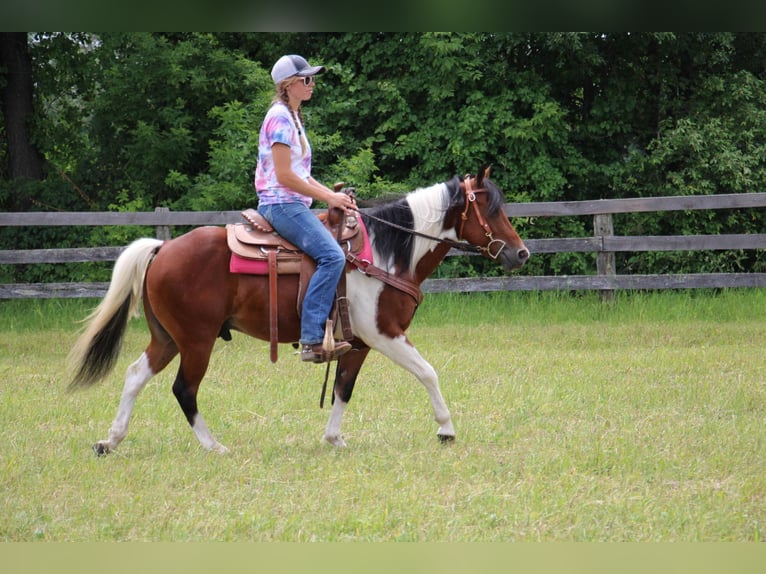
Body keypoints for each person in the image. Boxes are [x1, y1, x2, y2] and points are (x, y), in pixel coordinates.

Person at [254, 54, 354, 363]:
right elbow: (284, 176)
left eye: (312, 78)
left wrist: (333, 197)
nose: (312, 84)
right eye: (307, 79)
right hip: (280, 204)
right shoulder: (280, 118)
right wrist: (328, 199)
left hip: (292, 201)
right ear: (289, 85)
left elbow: (303, 173)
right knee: (332, 256)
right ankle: (311, 339)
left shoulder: (294, 117)